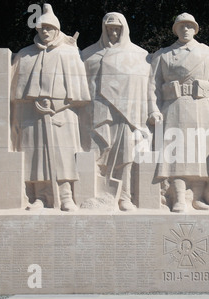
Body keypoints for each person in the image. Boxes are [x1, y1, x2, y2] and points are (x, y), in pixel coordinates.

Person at [11, 4, 90, 212]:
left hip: (63, 114)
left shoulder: (70, 53)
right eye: (40, 28)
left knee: (64, 156)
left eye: (49, 28)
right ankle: (39, 196)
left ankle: (65, 196)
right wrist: (33, 104)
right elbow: (17, 94)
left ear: (57, 30)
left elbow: (80, 93)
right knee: (35, 156)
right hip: (33, 115)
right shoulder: (26, 54)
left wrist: (57, 104)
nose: (44, 31)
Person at [148, 13, 209, 213]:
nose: (185, 30)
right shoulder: (163, 55)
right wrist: (153, 109)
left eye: (189, 26)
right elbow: (152, 87)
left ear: (195, 29)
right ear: (175, 29)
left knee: (201, 154)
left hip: (201, 107)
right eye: (181, 26)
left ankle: (197, 197)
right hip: (174, 107)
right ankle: (179, 198)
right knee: (177, 154)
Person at [82, 12, 151, 211]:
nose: (113, 32)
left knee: (126, 156)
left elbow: (144, 85)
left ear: (124, 29)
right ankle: (95, 196)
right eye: (109, 28)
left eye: (117, 28)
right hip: (99, 115)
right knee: (97, 154)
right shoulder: (89, 54)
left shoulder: (139, 54)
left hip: (127, 116)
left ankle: (126, 196)